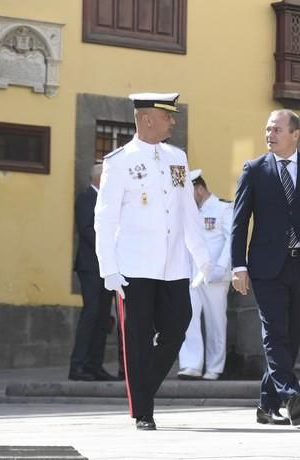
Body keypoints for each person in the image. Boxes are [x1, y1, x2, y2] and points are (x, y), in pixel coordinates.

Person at [94, 92, 212, 431]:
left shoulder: (177, 158)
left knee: (178, 326)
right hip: (134, 267)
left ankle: (143, 389)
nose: (173, 121)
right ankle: (144, 410)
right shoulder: (119, 161)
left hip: (173, 265)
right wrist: (109, 268)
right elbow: (105, 219)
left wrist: (202, 259)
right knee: (139, 339)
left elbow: (188, 213)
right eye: (167, 116)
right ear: (147, 119)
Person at [231, 109, 300, 426]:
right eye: (267, 129)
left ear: (295, 134)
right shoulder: (253, 170)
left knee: (291, 337)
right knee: (274, 333)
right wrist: (238, 265)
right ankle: (291, 394)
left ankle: (266, 405)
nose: (270, 134)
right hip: (266, 267)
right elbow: (239, 222)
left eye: (277, 129)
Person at [178, 169, 233, 381]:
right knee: (188, 319)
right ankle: (191, 364)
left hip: (215, 277)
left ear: (199, 189)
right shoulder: (190, 213)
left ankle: (214, 367)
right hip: (192, 275)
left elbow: (230, 240)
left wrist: (221, 267)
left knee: (216, 322)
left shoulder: (223, 208)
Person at [69, 163, 121, 382]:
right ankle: (78, 365)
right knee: (90, 314)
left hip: (107, 267)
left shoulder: (108, 202)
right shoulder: (86, 198)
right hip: (91, 266)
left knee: (102, 317)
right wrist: (110, 246)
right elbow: (87, 230)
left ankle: (95, 365)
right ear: (99, 178)